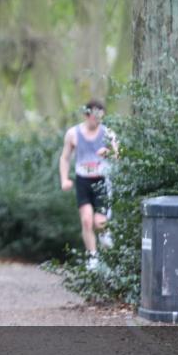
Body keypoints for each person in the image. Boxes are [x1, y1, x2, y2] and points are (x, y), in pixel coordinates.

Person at [58, 99, 118, 270]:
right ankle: (92, 256)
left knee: (99, 223)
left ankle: (106, 235)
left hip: (102, 181)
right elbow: (65, 157)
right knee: (86, 220)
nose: (97, 120)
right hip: (83, 180)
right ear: (86, 115)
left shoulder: (108, 133)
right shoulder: (73, 134)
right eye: (94, 116)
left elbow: (119, 154)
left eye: (100, 116)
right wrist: (64, 179)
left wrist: (109, 152)